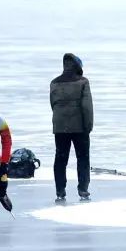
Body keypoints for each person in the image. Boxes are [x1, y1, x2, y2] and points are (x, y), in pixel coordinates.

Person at [50, 53, 94, 203]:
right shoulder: (83, 82)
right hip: (79, 126)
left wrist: (59, 120)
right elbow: (87, 106)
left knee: (61, 159)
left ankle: (60, 191)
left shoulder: (54, 83)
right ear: (78, 67)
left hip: (60, 126)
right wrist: (88, 126)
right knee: (82, 158)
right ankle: (83, 189)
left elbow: (53, 104)